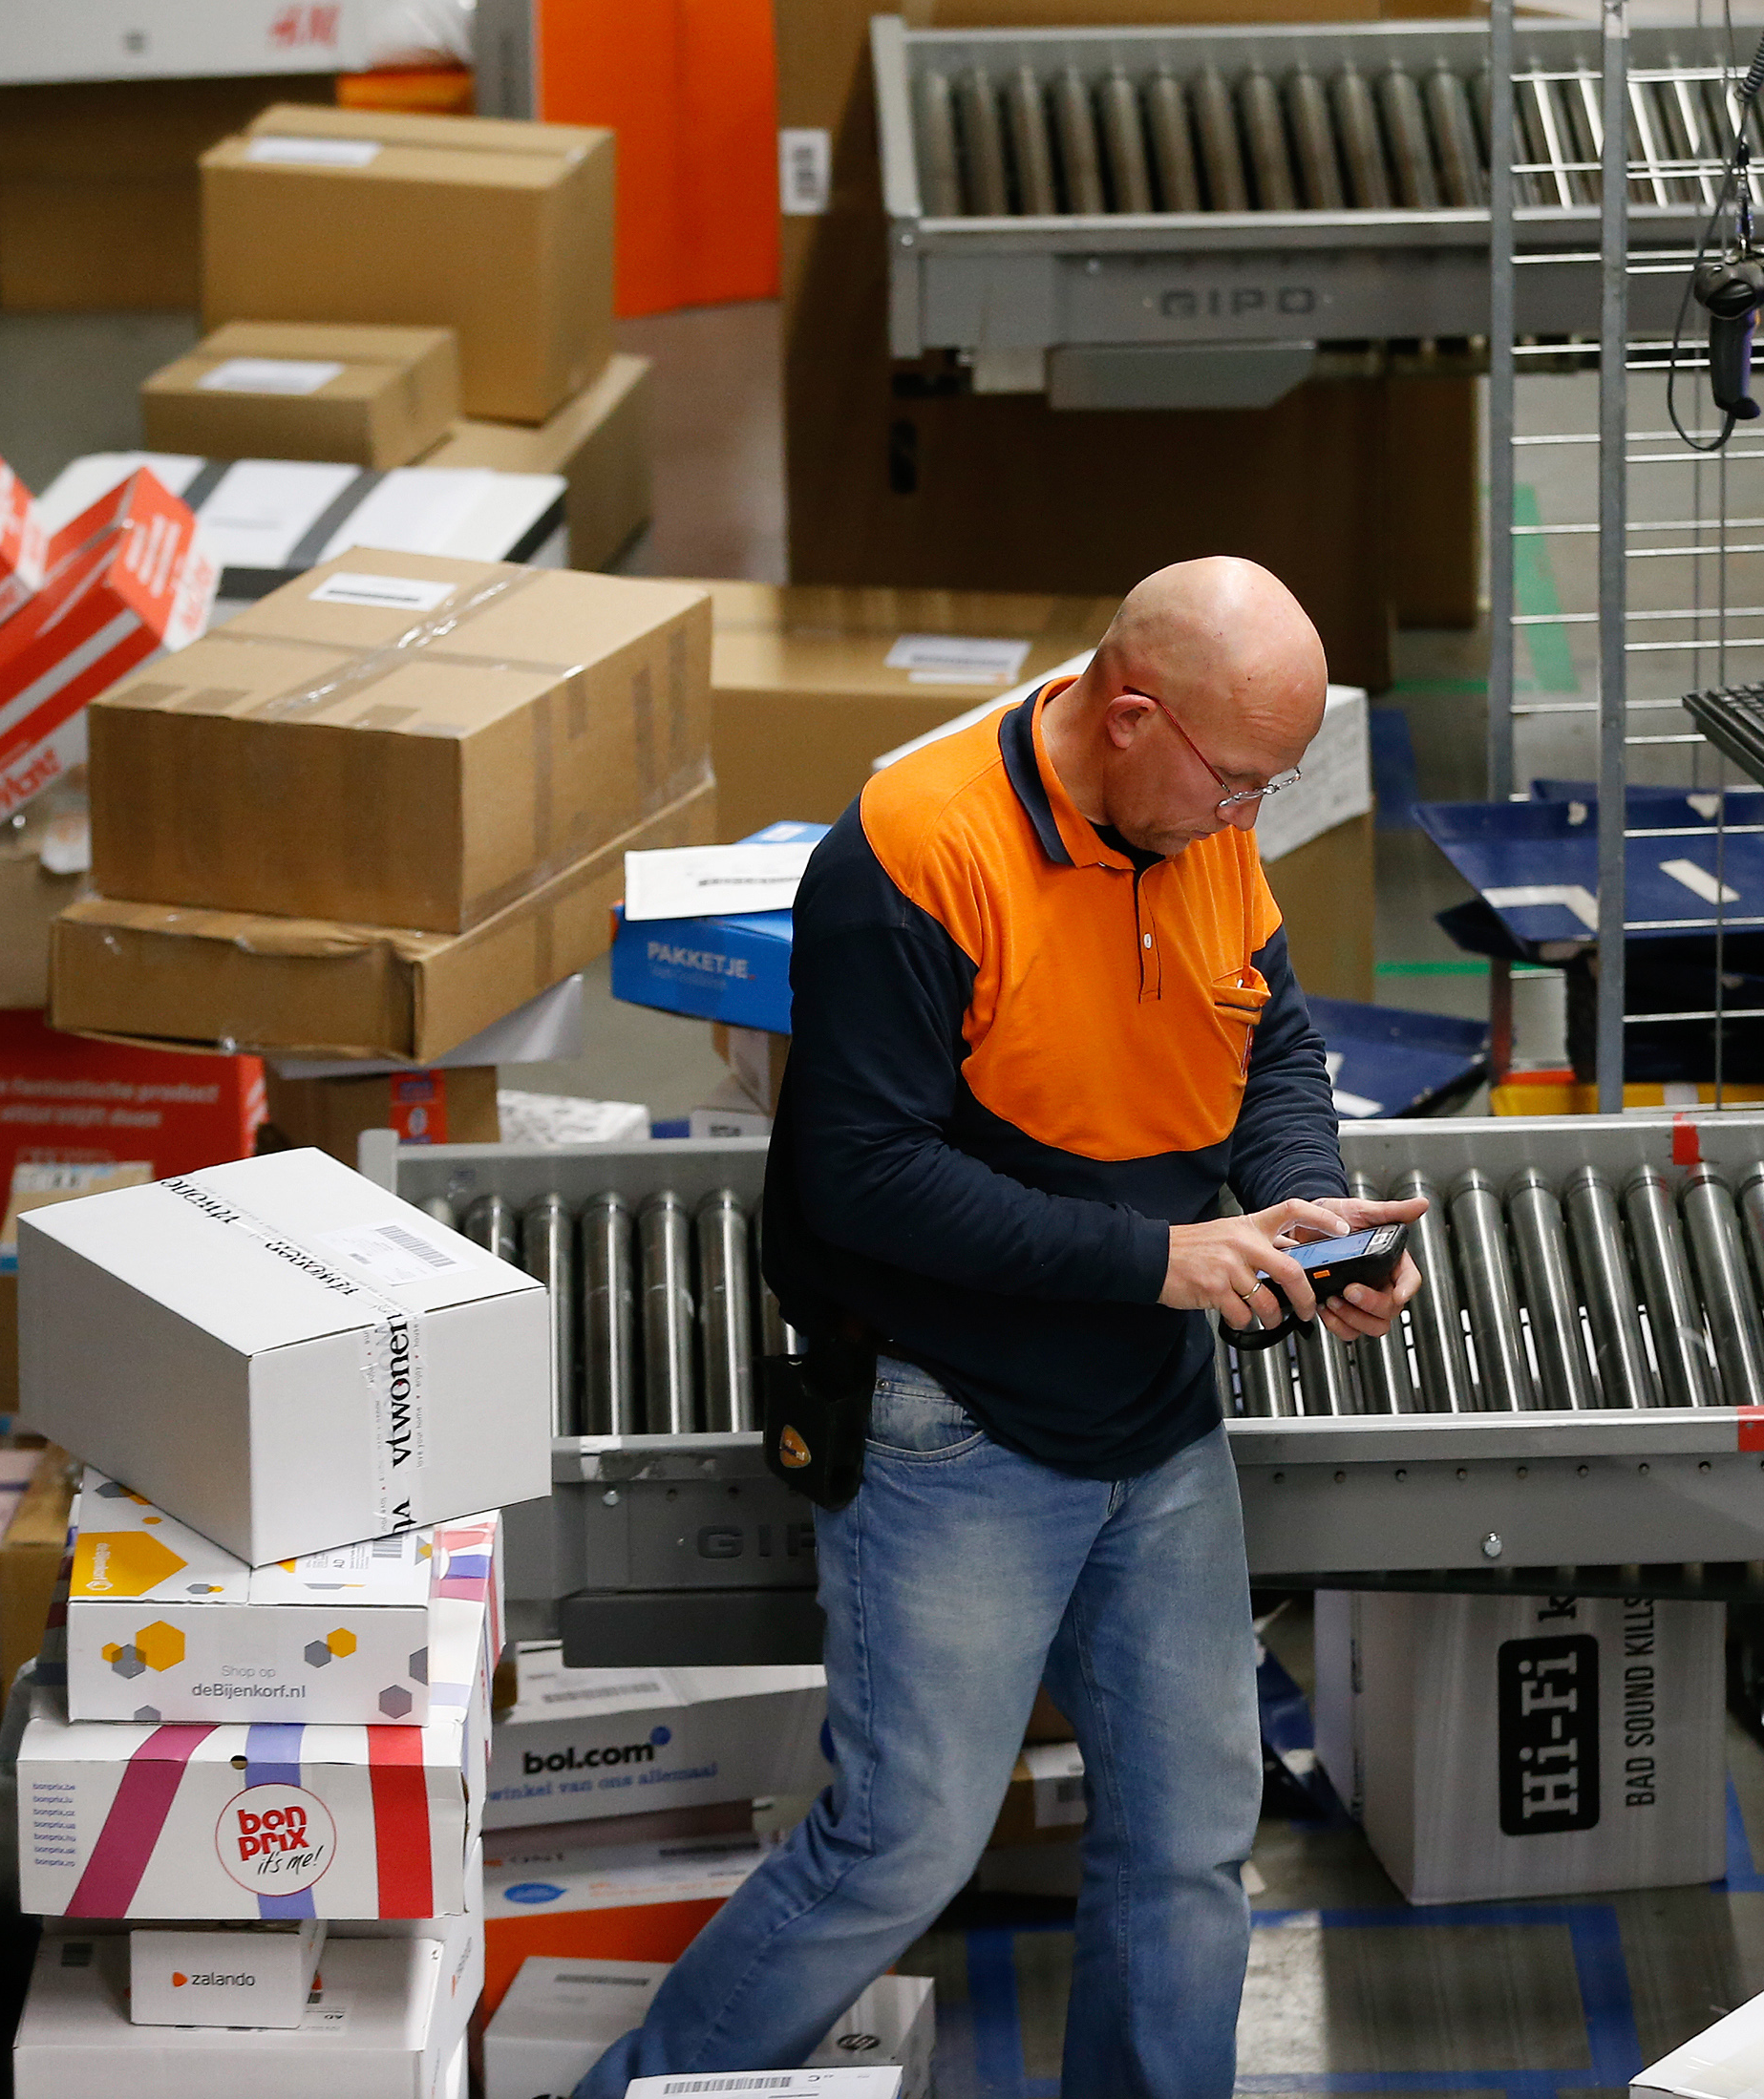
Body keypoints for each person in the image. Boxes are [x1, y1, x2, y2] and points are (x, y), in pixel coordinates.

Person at [574, 558, 1428, 2099]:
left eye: (1268, 789)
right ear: (1128, 711)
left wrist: (1311, 1209)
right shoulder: (914, 851)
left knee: (1189, 1839)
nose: (1247, 819)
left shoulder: (1205, 828)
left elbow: (1272, 1035)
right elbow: (860, 1180)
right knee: (900, 1845)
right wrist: (1157, 1261)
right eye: (1234, 781)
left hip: (1156, 1425)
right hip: (953, 1425)